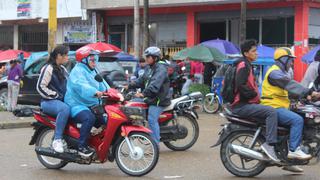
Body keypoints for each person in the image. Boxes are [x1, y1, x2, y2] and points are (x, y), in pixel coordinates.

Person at [261, 47, 319, 161]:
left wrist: (304, 97)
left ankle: (290, 161)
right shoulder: (275, 72)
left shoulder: (280, 72)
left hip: (280, 106)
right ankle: (294, 150)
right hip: (273, 106)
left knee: (302, 114)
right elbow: (290, 84)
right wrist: (309, 91)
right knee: (297, 120)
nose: (292, 63)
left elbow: (288, 92)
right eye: (290, 60)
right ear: (283, 59)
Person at [230, 39, 280, 162]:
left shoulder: (247, 64)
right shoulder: (243, 65)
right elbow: (241, 85)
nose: (256, 53)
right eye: (254, 51)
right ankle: (269, 145)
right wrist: (253, 96)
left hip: (245, 104)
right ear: (246, 53)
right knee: (271, 112)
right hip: (241, 106)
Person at [64, 46, 109, 157]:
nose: (95, 62)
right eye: (92, 60)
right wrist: (95, 92)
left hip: (90, 104)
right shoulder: (77, 71)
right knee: (89, 118)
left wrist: (114, 92)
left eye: (96, 59)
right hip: (76, 104)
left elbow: (104, 85)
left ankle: (101, 145)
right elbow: (81, 86)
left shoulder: (93, 71)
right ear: (84, 60)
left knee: (105, 121)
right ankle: (81, 147)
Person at [128, 47, 171, 145]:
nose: (146, 58)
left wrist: (143, 94)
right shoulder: (149, 67)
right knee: (132, 103)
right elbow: (141, 80)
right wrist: (129, 85)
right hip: (151, 98)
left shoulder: (161, 69)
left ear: (155, 58)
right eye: (146, 56)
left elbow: (155, 85)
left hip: (159, 100)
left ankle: (155, 145)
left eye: (148, 56)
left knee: (152, 119)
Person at [36, 45, 70, 153]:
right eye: (66, 55)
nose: (67, 57)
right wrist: (56, 95)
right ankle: (57, 139)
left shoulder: (63, 69)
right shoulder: (48, 68)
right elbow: (40, 87)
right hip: (48, 102)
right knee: (64, 109)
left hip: (60, 101)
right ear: (59, 55)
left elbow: (71, 84)